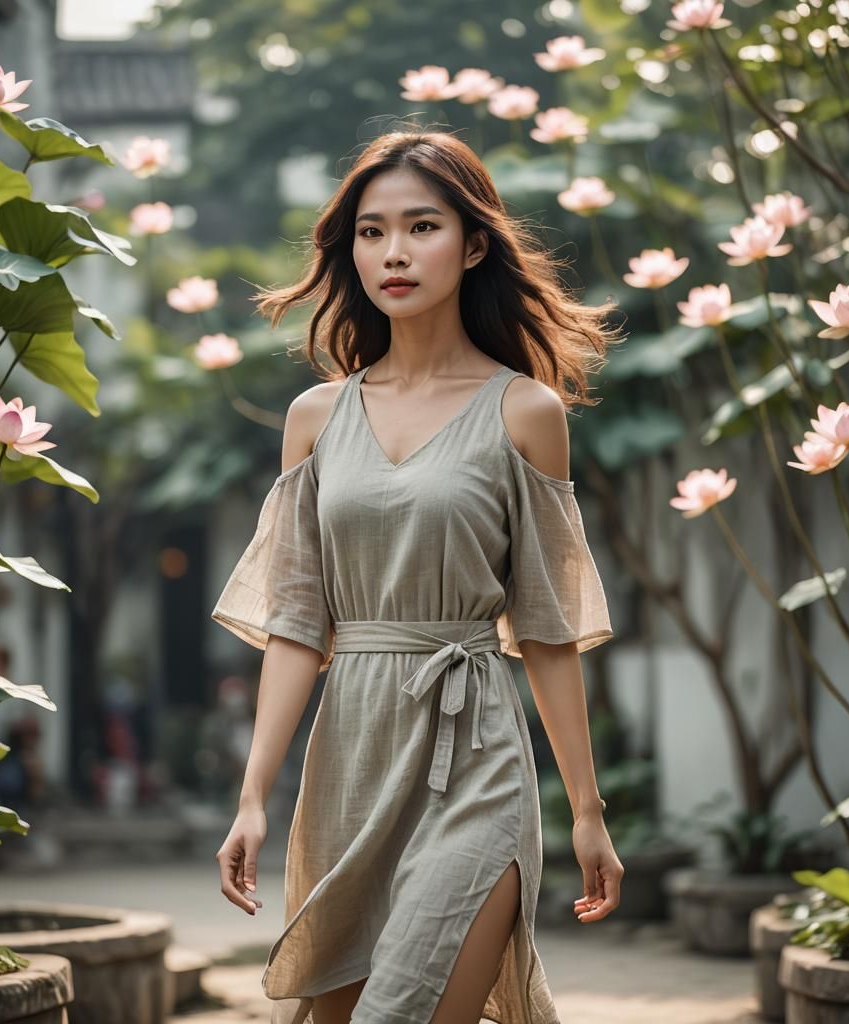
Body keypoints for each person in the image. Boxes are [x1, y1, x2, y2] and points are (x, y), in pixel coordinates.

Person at [212, 126, 626, 1024]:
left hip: (475, 754)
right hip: (349, 763)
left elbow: (548, 632)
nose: (393, 252)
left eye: (422, 227)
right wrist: (251, 800)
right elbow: (295, 626)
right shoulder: (316, 417)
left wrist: (588, 812)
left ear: (474, 244)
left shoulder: (526, 411)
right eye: (371, 231)